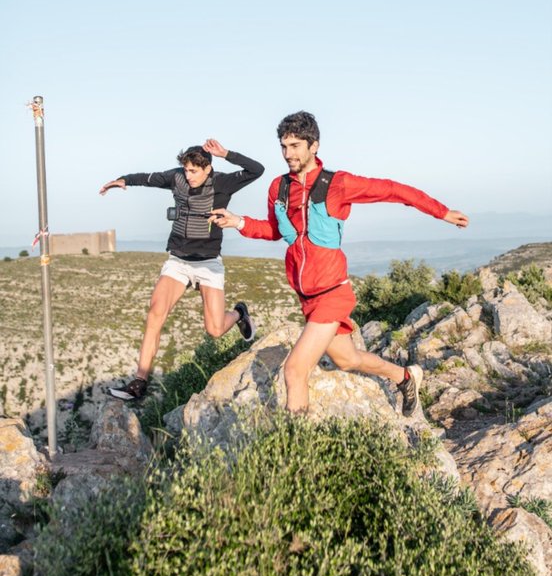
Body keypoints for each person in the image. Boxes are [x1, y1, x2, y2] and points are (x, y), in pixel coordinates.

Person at [211, 112, 469, 416]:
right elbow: (275, 230)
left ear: (314, 145)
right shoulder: (278, 189)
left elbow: (393, 190)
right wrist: (237, 222)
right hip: (307, 296)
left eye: (295, 146)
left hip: (332, 291)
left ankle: (298, 455)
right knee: (346, 359)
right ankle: (406, 377)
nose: (288, 154)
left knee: (294, 371)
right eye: (284, 146)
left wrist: (442, 212)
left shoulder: (337, 184)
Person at [99, 139, 264, 400]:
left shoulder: (223, 182)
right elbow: (148, 178)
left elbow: (257, 170)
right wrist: (123, 180)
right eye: (186, 170)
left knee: (215, 329)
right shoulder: (177, 178)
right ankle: (139, 383)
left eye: (194, 171)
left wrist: (226, 154)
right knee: (156, 313)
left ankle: (239, 314)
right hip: (178, 260)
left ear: (208, 168)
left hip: (208, 263)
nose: (189, 176)